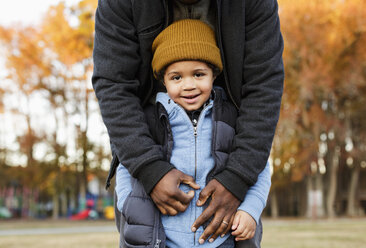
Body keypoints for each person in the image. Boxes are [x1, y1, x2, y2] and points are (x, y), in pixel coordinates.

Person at [92, 0, 284, 244]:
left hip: (223, 234)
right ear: (163, 78)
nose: (189, 85)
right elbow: (113, 86)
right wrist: (148, 171)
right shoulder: (152, 125)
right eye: (177, 77)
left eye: (199, 74)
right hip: (154, 228)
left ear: (214, 74)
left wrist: (239, 184)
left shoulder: (229, 126)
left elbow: (264, 86)